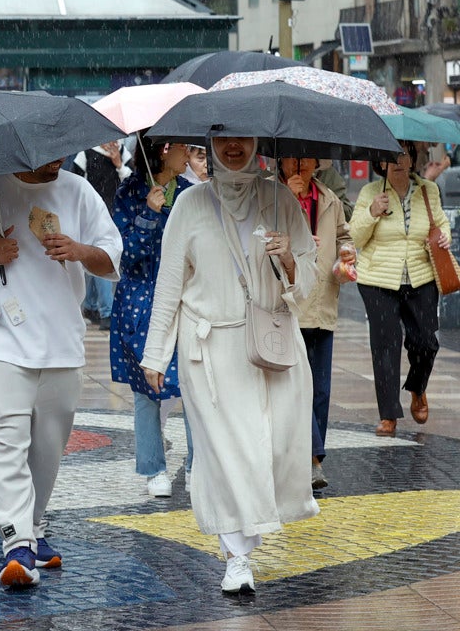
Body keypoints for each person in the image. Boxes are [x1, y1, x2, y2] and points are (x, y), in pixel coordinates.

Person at [140, 136, 320, 595]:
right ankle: (236, 556)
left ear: (257, 141)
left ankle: (249, 530)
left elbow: (310, 279)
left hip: (272, 342)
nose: (233, 146)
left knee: (275, 447)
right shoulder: (190, 205)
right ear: (210, 142)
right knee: (225, 454)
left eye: (243, 137)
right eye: (223, 138)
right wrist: (156, 353)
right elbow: (169, 282)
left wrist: (289, 261)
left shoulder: (279, 200)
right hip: (210, 351)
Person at [0, 158, 122, 588]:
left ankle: (33, 527)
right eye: (47, 153)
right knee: (6, 444)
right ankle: (17, 543)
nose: (57, 159)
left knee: (47, 451)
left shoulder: (78, 190)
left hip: (60, 343)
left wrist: (79, 251)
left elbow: (111, 256)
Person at [110, 139, 194, 499]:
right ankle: (153, 468)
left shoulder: (190, 194)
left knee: (193, 383)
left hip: (186, 299)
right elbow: (123, 254)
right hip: (140, 302)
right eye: (183, 147)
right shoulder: (129, 192)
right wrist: (148, 214)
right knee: (147, 388)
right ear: (163, 150)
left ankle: (198, 465)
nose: (188, 154)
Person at [349, 142, 449, 437]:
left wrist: (444, 237)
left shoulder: (428, 191)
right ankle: (388, 414)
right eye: (389, 156)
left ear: (412, 159)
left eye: (403, 153)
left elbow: (441, 224)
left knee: (426, 342)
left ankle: (418, 387)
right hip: (378, 280)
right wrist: (372, 212)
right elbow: (355, 236)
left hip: (421, 276)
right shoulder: (370, 192)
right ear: (381, 163)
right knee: (385, 344)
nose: (396, 160)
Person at [276, 157, 355, 489]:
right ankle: (312, 459)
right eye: (294, 157)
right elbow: (261, 238)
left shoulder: (328, 198)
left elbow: (343, 235)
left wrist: (347, 252)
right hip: (289, 304)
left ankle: (311, 456)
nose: (301, 164)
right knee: (297, 384)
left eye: (307, 157)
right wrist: (288, 201)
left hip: (322, 302)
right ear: (281, 159)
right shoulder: (270, 195)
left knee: (320, 389)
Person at [79, 140, 130, 330]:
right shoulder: (86, 153)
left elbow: (132, 181)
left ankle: (93, 307)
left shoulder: (122, 151)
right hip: (93, 215)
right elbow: (74, 183)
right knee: (98, 255)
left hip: (117, 213)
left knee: (104, 256)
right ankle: (105, 312)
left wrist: (119, 164)